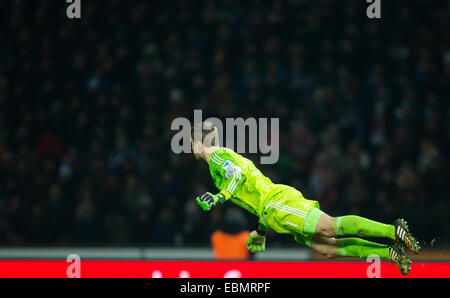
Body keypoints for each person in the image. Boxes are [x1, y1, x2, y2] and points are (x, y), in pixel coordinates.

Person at [191, 121, 421, 275]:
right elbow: (254, 191)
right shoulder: (223, 158)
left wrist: (217, 198)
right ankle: (389, 252)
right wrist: (261, 233)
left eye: (191, 143)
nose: (191, 148)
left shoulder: (217, 158)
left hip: (278, 203)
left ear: (199, 143)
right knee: (328, 249)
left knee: (329, 227)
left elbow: (238, 176)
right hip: (272, 209)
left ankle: (393, 231)